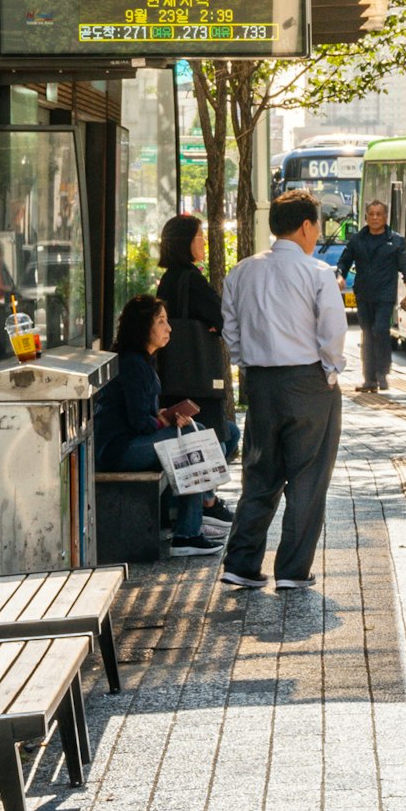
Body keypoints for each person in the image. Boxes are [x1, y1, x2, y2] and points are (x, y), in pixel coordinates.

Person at [222, 188, 348, 592]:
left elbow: (231, 330)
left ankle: (241, 563)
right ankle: (293, 570)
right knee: (308, 477)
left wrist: (248, 364)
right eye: (318, 226)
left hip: (260, 382)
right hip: (308, 381)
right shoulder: (317, 273)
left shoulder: (242, 271)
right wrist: (330, 371)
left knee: (259, 473)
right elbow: (332, 330)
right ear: (308, 226)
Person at [99, 296, 222, 556]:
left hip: (126, 444)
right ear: (143, 326)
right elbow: (138, 422)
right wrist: (163, 420)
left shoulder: (141, 360)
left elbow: (141, 414)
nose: (169, 328)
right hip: (118, 450)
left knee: (194, 428)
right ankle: (190, 530)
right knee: (189, 435)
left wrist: (163, 415)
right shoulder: (132, 364)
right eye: (161, 321)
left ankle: (193, 523)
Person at [153, 214, 237, 520]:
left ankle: (205, 501)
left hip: (175, 375)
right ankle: (204, 504)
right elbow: (221, 316)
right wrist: (211, 325)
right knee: (220, 437)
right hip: (197, 378)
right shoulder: (191, 278)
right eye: (199, 236)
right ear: (185, 243)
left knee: (226, 434)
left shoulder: (169, 278)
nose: (203, 242)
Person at [341, 200, 406, 397]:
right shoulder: (357, 240)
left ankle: (382, 372)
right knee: (367, 333)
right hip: (363, 294)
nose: (374, 218)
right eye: (371, 214)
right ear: (366, 217)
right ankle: (369, 378)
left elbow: (405, 268)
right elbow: (344, 262)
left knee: (380, 330)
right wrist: (339, 276)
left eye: (378, 214)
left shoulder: (396, 241)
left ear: (385, 217)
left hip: (385, 295)